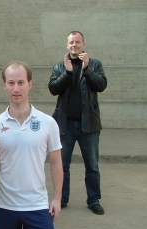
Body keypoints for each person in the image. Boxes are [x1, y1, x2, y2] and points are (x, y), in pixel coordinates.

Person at [0, 61, 63, 229]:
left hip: (37, 206)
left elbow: (56, 162)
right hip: (6, 206)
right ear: (4, 85)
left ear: (30, 84)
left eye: (21, 82)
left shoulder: (47, 122)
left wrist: (57, 197)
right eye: (11, 82)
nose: (16, 88)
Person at [48, 31, 107, 215]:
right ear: (67, 45)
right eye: (71, 42)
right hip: (65, 125)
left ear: (84, 44)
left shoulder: (94, 64)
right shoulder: (60, 66)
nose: (75, 45)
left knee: (92, 165)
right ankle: (62, 199)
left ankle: (94, 200)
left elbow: (101, 85)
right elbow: (53, 88)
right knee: (62, 165)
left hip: (88, 125)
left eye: (78, 42)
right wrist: (66, 72)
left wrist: (88, 69)